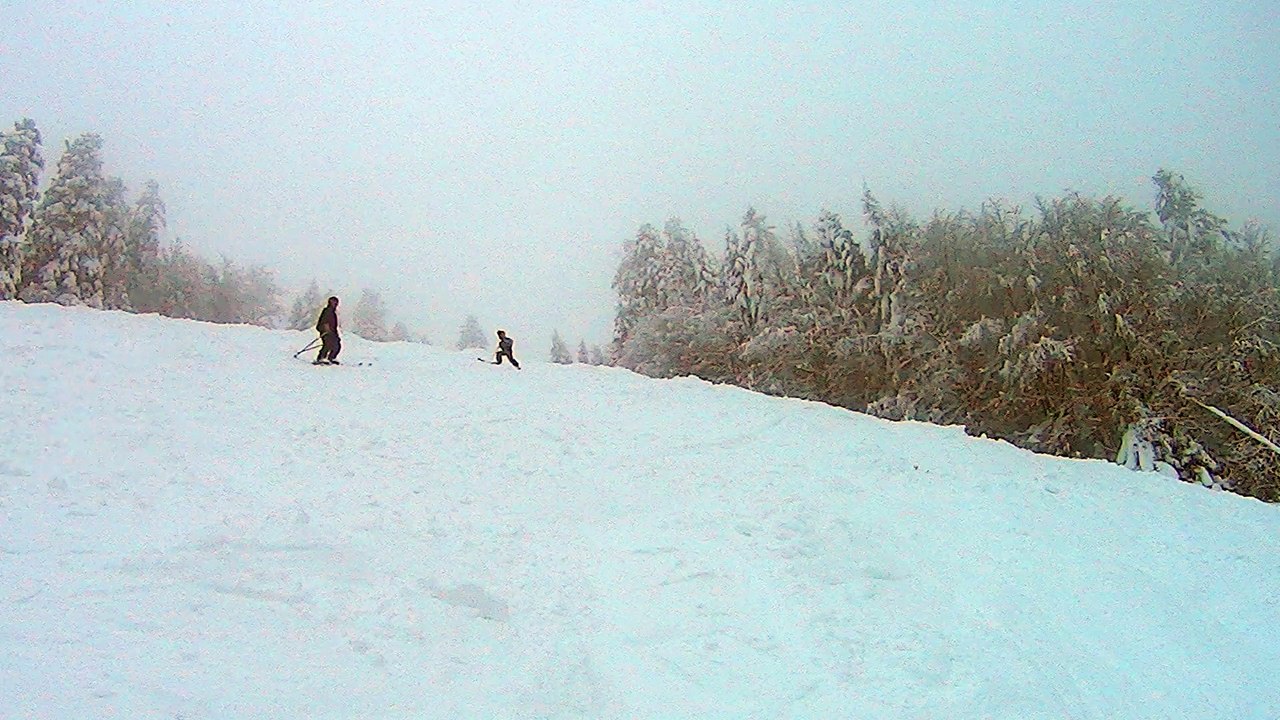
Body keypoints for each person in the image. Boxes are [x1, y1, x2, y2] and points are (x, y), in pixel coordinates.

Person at [314, 296, 341, 365]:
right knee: (327, 344)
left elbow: (334, 325)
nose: (335, 304)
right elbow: (323, 321)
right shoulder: (327, 311)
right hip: (325, 331)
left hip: (332, 332)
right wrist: (325, 328)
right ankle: (321, 358)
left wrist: (335, 333)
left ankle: (331, 357)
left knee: (337, 345)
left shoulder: (333, 312)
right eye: (333, 302)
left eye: (336, 302)